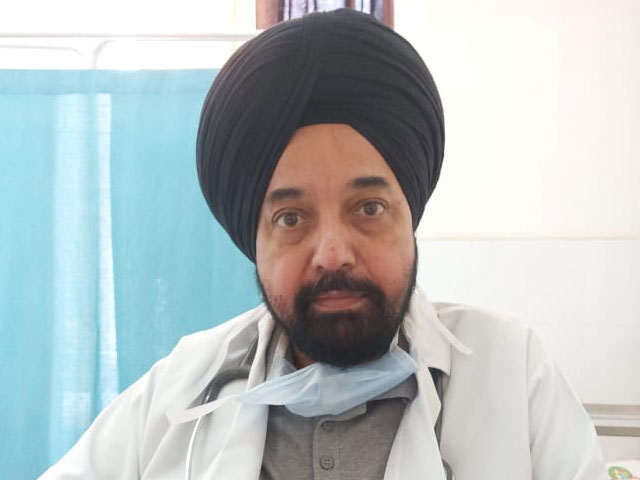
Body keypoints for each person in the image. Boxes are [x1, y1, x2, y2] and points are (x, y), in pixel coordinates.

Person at [39, 9, 606, 480]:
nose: (333, 254)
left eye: (368, 208)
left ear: (410, 216)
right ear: (253, 237)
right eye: (291, 218)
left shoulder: (512, 374)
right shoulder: (178, 392)